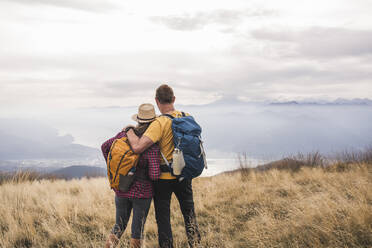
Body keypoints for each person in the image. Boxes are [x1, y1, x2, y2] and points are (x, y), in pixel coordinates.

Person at [125, 84, 201, 248]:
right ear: (173, 99)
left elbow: (138, 147)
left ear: (157, 101)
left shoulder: (159, 123)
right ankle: (196, 244)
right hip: (184, 174)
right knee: (189, 213)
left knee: (163, 218)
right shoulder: (187, 116)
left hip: (163, 179)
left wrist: (129, 131)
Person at [101, 103, 161, 248]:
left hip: (121, 188)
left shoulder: (123, 135)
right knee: (137, 231)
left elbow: (105, 146)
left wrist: (114, 167)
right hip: (142, 193)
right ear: (153, 123)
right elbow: (154, 175)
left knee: (119, 225)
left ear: (138, 120)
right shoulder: (151, 145)